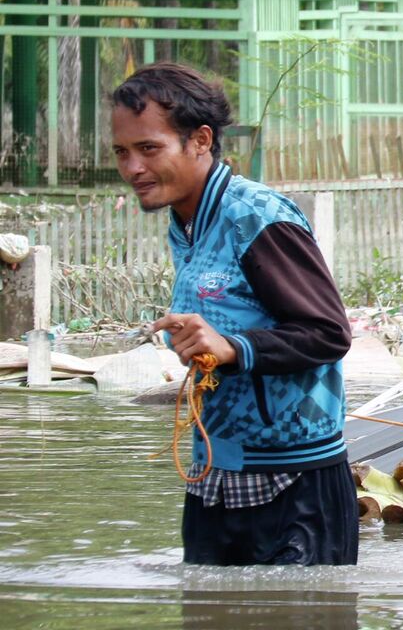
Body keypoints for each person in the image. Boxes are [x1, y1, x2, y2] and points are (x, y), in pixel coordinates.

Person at [110, 63, 356, 566]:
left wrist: (234, 347)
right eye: (121, 152)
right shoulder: (187, 222)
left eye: (149, 148)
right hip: (213, 480)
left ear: (200, 140)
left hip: (293, 486)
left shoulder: (256, 217)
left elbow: (329, 333)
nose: (133, 167)